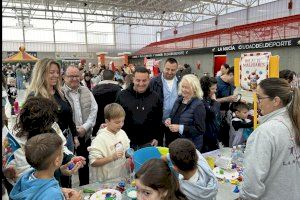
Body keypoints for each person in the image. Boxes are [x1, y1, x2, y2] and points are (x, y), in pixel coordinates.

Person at [2, 97, 84, 187]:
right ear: (41, 125)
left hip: (51, 185)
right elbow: (25, 178)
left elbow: (61, 147)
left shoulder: (51, 127)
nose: (53, 124)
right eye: (50, 122)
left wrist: (71, 158)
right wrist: (59, 171)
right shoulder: (14, 142)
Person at [240, 78, 300, 200]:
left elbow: (252, 181)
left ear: (276, 101)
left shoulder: (265, 132)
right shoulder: (294, 122)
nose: (257, 102)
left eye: (260, 98)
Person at [26, 58, 78, 155]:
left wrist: (74, 135)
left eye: (57, 72)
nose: (56, 75)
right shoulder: (35, 97)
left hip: (67, 139)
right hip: (50, 146)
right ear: (41, 73)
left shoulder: (59, 92)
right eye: (51, 72)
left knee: (68, 168)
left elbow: (68, 116)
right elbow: (32, 129)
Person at [10, 133, 82, 200]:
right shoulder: (54, 195)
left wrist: (59, 189)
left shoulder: (25, 177)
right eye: (62, 151)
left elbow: (36, 190)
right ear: (57, 161)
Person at [62, 66, 98, 186]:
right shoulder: (60, 93)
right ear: (64, 77)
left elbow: (94, 109)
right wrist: (73, 131)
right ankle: (69, 191)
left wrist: (85, 127)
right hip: (68, 138)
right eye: (71, 76)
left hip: (84, 134)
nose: (74, 79)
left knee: (83, 163)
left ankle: (85, 188)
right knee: (68, 165)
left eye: (77, 76)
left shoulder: (86, 91)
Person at [116, 66, 163, 149]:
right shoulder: (122, 95)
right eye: (138, 80)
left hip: (149, 143)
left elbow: (158, 119)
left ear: (149, 80)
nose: (141, 84)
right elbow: (115, 117)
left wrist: (157, 137)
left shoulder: (155, 97)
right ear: (133, 79)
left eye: (144, 80)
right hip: (126, 143)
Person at [88, 103, 130, 181]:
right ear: (107, 121)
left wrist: (129, 155)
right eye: (117, 122)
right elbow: (93, 162)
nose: (121, 125)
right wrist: (112, 157)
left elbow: (126, 151)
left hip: (120, 176)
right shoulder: (100, 139)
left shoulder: (122, 133)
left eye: (123, 121)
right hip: (105, 181)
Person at [165, 74, 206, 150]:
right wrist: (169, 120)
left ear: (194, 88)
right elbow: (173, 116)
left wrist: (180, 128)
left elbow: (200, 129)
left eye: (186, 87)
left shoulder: (198, 105)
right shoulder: (179, 100)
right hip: (175, 143)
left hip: (188, 147)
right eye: (182, 87)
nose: (183, 89)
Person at [150, 58, 179, 146]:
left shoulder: (180, 82)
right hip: (158, 121)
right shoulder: (154, 81)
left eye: (173, 70)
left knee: (173, 145)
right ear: (163, 67)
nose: (170, 72)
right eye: (167, 69)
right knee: (157, 144)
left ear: (177, 70)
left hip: (174, 121)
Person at [92, 70, 122, 136]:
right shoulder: (119, 89)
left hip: (97, 122)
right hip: (114, 122)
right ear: (113, 77)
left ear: (102, 78)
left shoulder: (94, 90)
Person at [216, 66, 238, 146]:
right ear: (231, 74)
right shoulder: (216, 82)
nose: (237, 81)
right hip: (217, 118)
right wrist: (227, 99)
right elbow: (210, 101)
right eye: (237, 78)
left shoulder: (232, 84)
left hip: (227, 117)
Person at [200, 76, 221, 152]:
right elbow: (212, 112)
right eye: (212, 89)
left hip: (212, 133)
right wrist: (215, 101)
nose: (215, 91)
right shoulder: (201, 100)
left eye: (215, 88)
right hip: (205, 137)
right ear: (205, 89)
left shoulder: (208, 98)